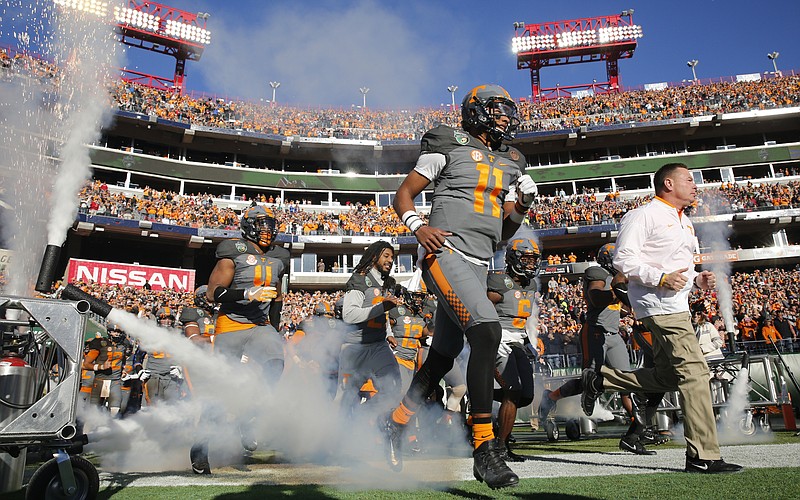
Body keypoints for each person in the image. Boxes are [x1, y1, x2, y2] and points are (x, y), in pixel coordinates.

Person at [382, 84, 537, 489]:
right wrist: (418, 226)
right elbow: (404, 194)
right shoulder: (448, 141)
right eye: (497, 110)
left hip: (479, 262)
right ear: (476, 111)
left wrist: (519, 208)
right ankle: (485, 447)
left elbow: (502, 233)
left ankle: (395, 423)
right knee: (487, 331)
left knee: (442, 358)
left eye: (509, 111)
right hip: (444, 252)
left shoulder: (511, 160)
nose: (505, 117)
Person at [581, 163, 743, 474]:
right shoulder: (643, 214)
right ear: (668, 183)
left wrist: (696, 281)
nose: (695, 185)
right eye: (688, 179)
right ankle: (702, 456)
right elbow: (623, 258)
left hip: (675, 305)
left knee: (670, 377)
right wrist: (660, 278)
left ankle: (601, 378)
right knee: (696, 375)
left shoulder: (684, 221)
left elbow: (676, 266)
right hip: (659, 306)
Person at [539, 243, 655, 455]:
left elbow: (620, 306)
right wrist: (617, 293)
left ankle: (638, 430)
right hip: (594, 332)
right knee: (589, 380)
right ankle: (552, 397)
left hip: (613, 334)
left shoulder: (620, 277)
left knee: (627, 380)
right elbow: (595, 297)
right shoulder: (598, 273)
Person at [206, 204, 290, 452]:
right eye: (262, 225)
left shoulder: (279, 256)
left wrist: (273, 329)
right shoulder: (233, 250)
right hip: (231, 323)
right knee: (221, 389)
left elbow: (277, 298)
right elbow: (213, 293)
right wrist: (246, 292)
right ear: (249, 226)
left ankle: (249, 416)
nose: (268, 231)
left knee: (275, 364)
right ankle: (202, 445)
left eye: (271, 226)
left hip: (258, 325)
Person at [487, 237, 540, 462]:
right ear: (513, 258)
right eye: (526, 258)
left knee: (525, 395)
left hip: (517, 340)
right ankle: (500, 446)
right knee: (514, 391)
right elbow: (482, 311)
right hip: (498, 339)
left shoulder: (531, 285)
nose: (530, 263)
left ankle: (482, 397)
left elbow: (521, 318)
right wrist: (488, 340)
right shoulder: (498, 281)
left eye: (533, 259)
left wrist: (529, 341)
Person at [337, 240, 402, 419]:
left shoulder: (388, 283)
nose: (390, 260)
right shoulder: (360, 278)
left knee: (394, 388)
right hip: (356, 346)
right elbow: (349, 315)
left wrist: (388, 333)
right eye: (386, 256)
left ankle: (362, 417)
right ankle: (331, 438)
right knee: (344, 398)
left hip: (379, 345)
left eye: (392, 257)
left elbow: (383, 315)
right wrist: (382, 308)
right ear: (374, 257)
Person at [82, 323, 133, 417]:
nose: (117, 334)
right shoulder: (99, 343)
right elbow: (85, 364)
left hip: (115, 381)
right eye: (115, 331)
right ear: (109, 331)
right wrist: (101, 367)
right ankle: (91, 430)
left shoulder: (124, 344)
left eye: (119, 332)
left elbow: (123, 358)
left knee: (115, 410)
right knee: (94, 411)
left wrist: (122, 369)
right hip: (100, 380)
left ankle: (108, 429)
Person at [143, 307, 184, 405]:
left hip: (171, 376)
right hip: (154, 375)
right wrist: (139, 369)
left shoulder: (178, 335)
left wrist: (180, 368)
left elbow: (185, 355)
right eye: (164, 318)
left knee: (171, 406)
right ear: (158, 319)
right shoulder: (150, 334)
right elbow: (138, 355)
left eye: (170, 318)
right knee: (153, 405)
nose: (167, 321)